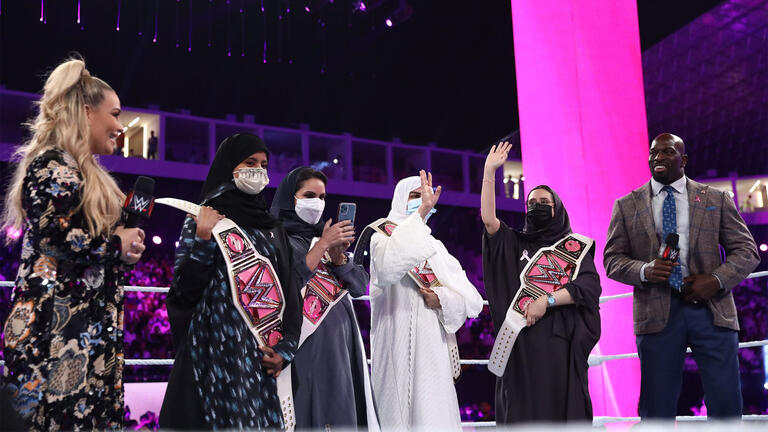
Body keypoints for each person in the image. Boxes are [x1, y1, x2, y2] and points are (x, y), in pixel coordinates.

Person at [1, 58, 146, 430]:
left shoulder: (81, 172)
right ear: (85, 113)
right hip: (54, 340)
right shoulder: (51, 164)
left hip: (84, 339)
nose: (119, 126)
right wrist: (116, 244)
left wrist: (125, 243)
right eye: (113, 114)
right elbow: (56, 237)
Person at [604, 133, 760, 420]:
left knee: (726, 403)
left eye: (666, 152)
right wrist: (645, 270)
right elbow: (612, 260)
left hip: (711, 309)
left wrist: (715, 280)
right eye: (653, 153)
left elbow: (747, 251)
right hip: (656, 310)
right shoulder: (626, 205)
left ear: (683, 160)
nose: (658, 158)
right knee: (656, 408)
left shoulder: (715, 198)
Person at [159, 133, 302, 429]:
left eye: (263, 165)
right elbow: (184, 291)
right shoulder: (204, 218)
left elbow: (289, 291)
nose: (258, 171)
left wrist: (286, 350)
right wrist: (202, 238)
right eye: (250, 162)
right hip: (216, 358)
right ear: (229, 165)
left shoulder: (272, 227)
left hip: (262, 360)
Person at [480, 141, 601, 423]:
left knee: (556, 411)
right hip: (519, 345)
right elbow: (489, 220)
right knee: (521, 412)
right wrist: (489, 172)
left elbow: (588, 287)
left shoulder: (573, 248)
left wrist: (545, 301)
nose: (537, 206)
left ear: (557, 209)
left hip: (557, 345)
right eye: (532, 203)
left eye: (545, 203)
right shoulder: (513, 242)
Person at [357, 170, 483, 430]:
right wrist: (420, 214)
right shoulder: (380, 236)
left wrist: (442, 299)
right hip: (394, 342)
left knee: (432, 415)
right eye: (414, 196)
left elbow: (472, 300)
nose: (421, 200)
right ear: (401, 199)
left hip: (431, 350)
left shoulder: (434, 246)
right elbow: (388, 268)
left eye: (423, 196)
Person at [269, 167, 379, 430]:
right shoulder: (275, 239)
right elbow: (290, 282)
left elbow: (359, 287)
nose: (317, 203)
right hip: (307, 343)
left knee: (342, 410)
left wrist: (340, 257)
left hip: (343, 345)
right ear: (290, 197)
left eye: (322, 197)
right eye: (309, 195)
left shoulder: (326, 238)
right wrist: (322, 246)